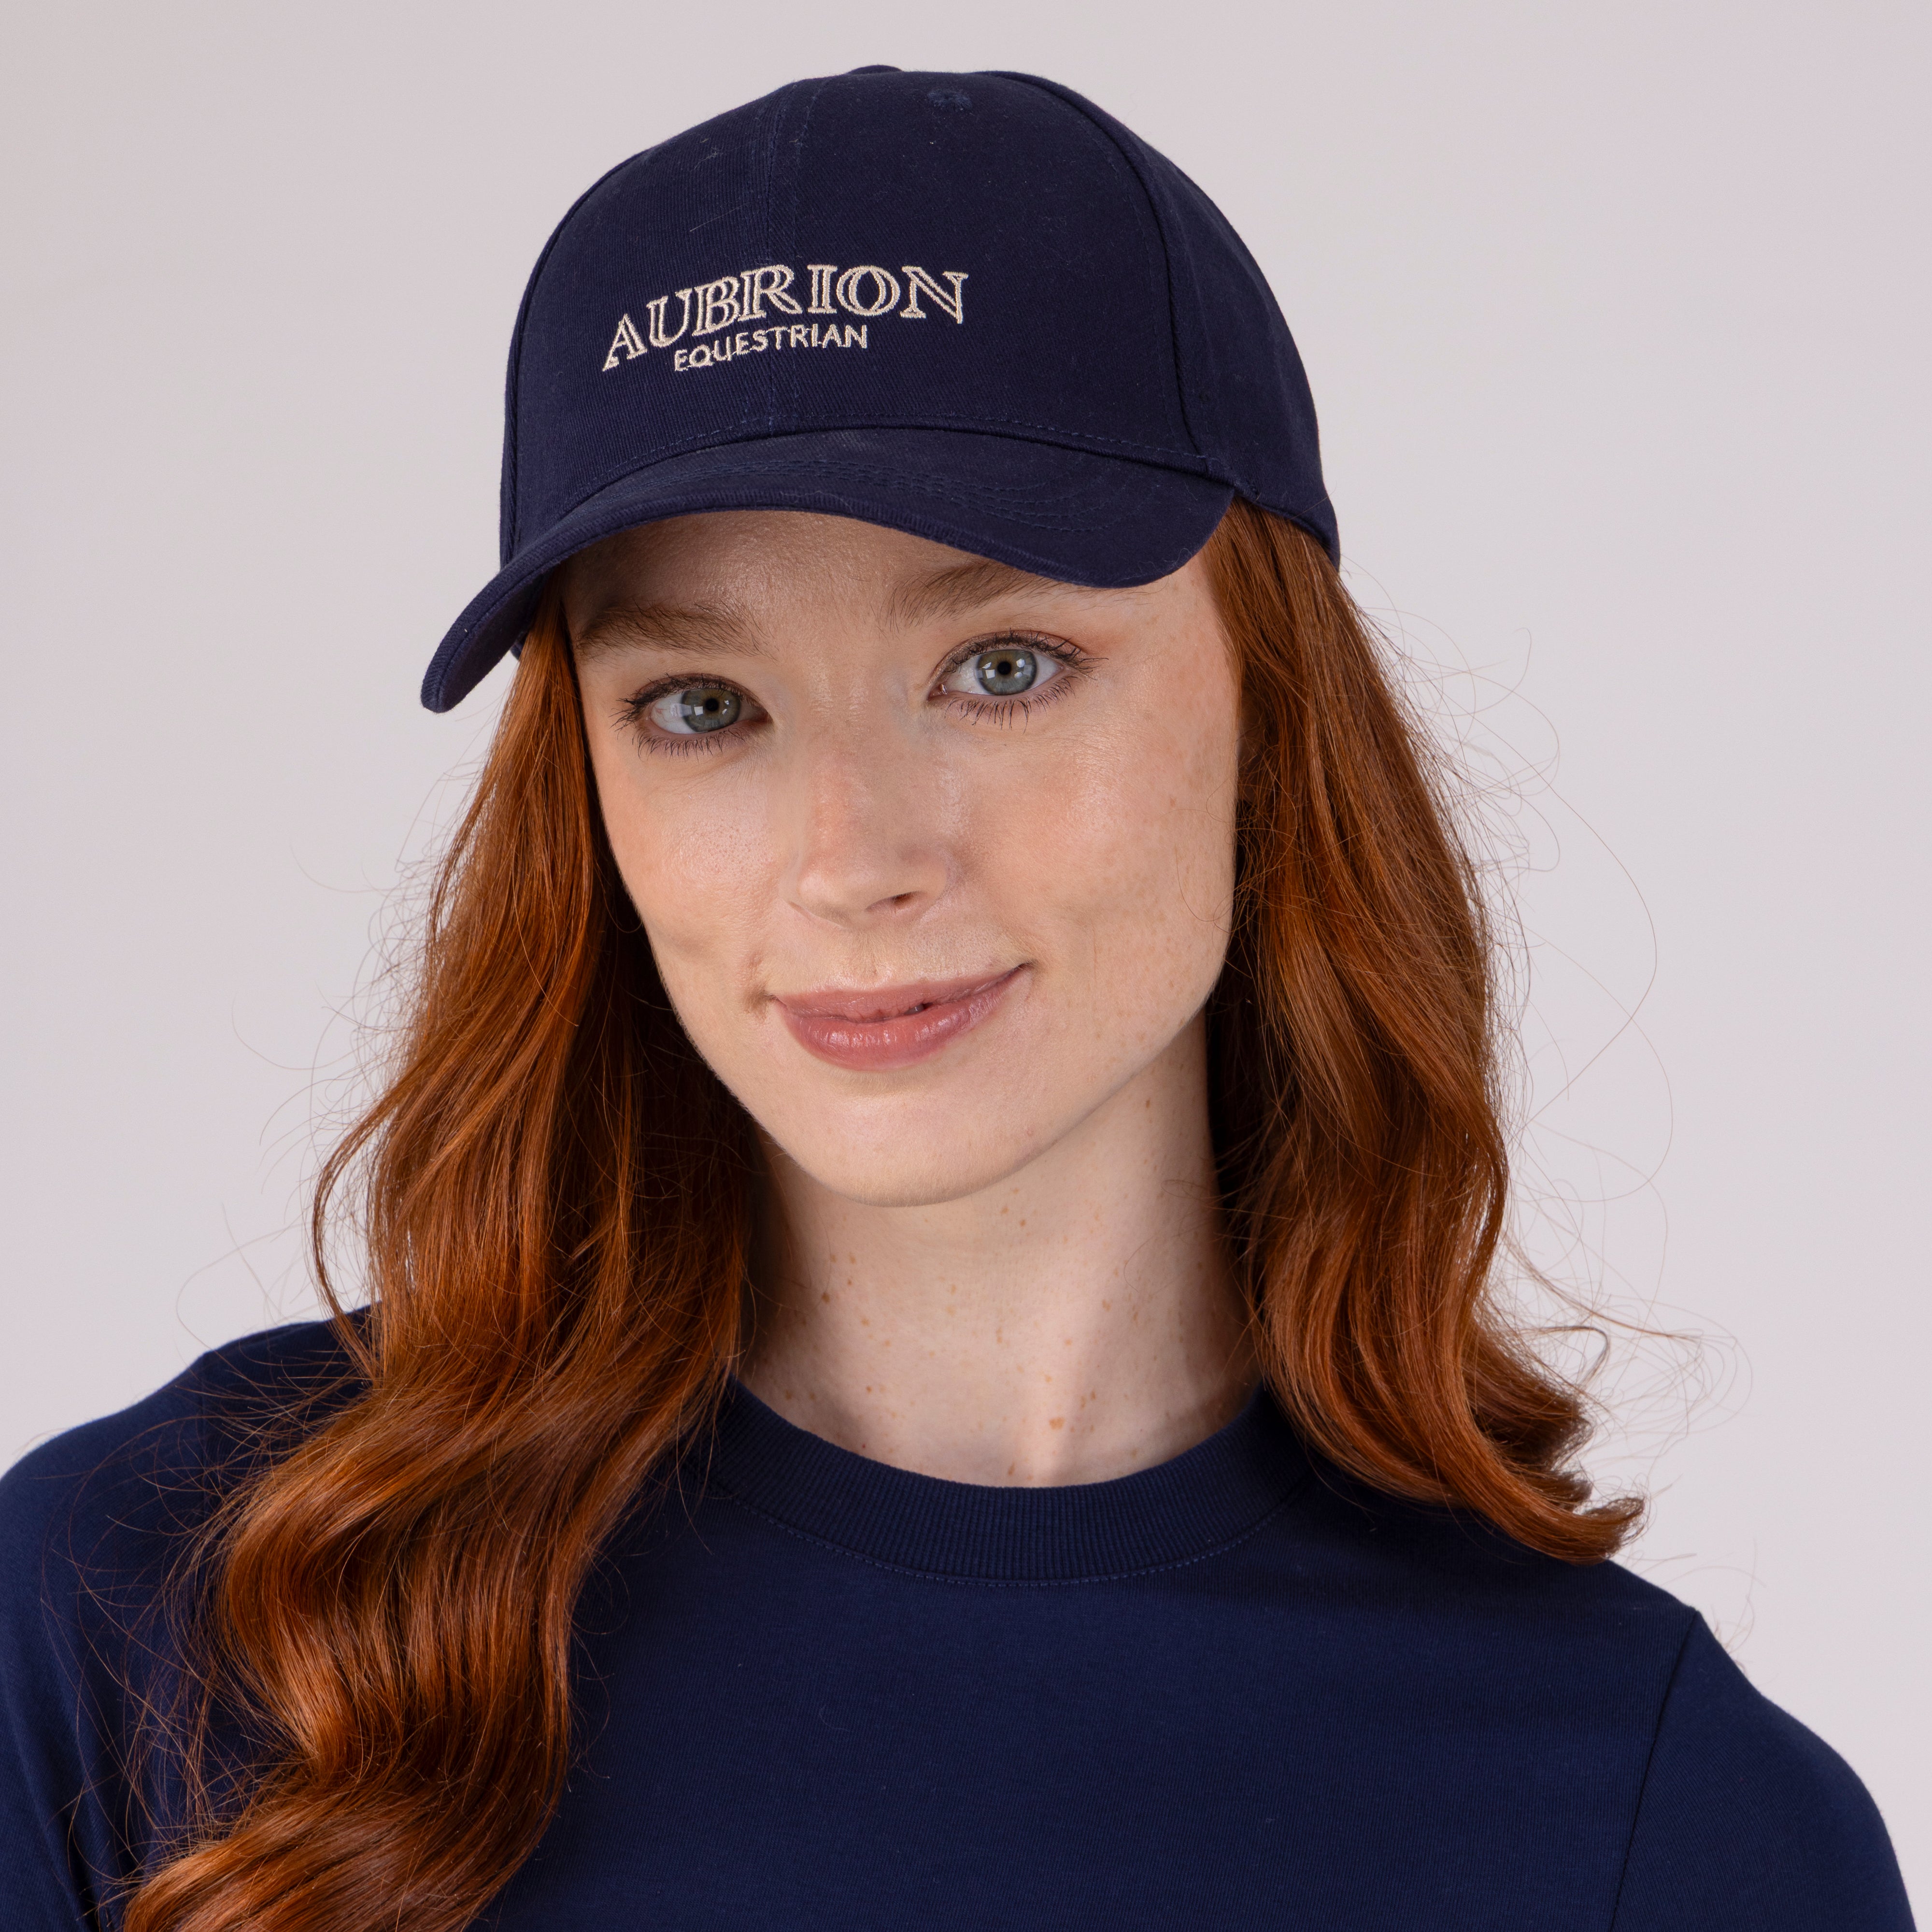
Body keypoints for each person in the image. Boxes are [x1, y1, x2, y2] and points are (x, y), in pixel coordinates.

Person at [0, 64, 1913, 1932]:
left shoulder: (1656, 1823)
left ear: (1274, 705)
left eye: (1002, 666)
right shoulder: (154, 1619)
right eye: (702, 706)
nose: (854, 857)